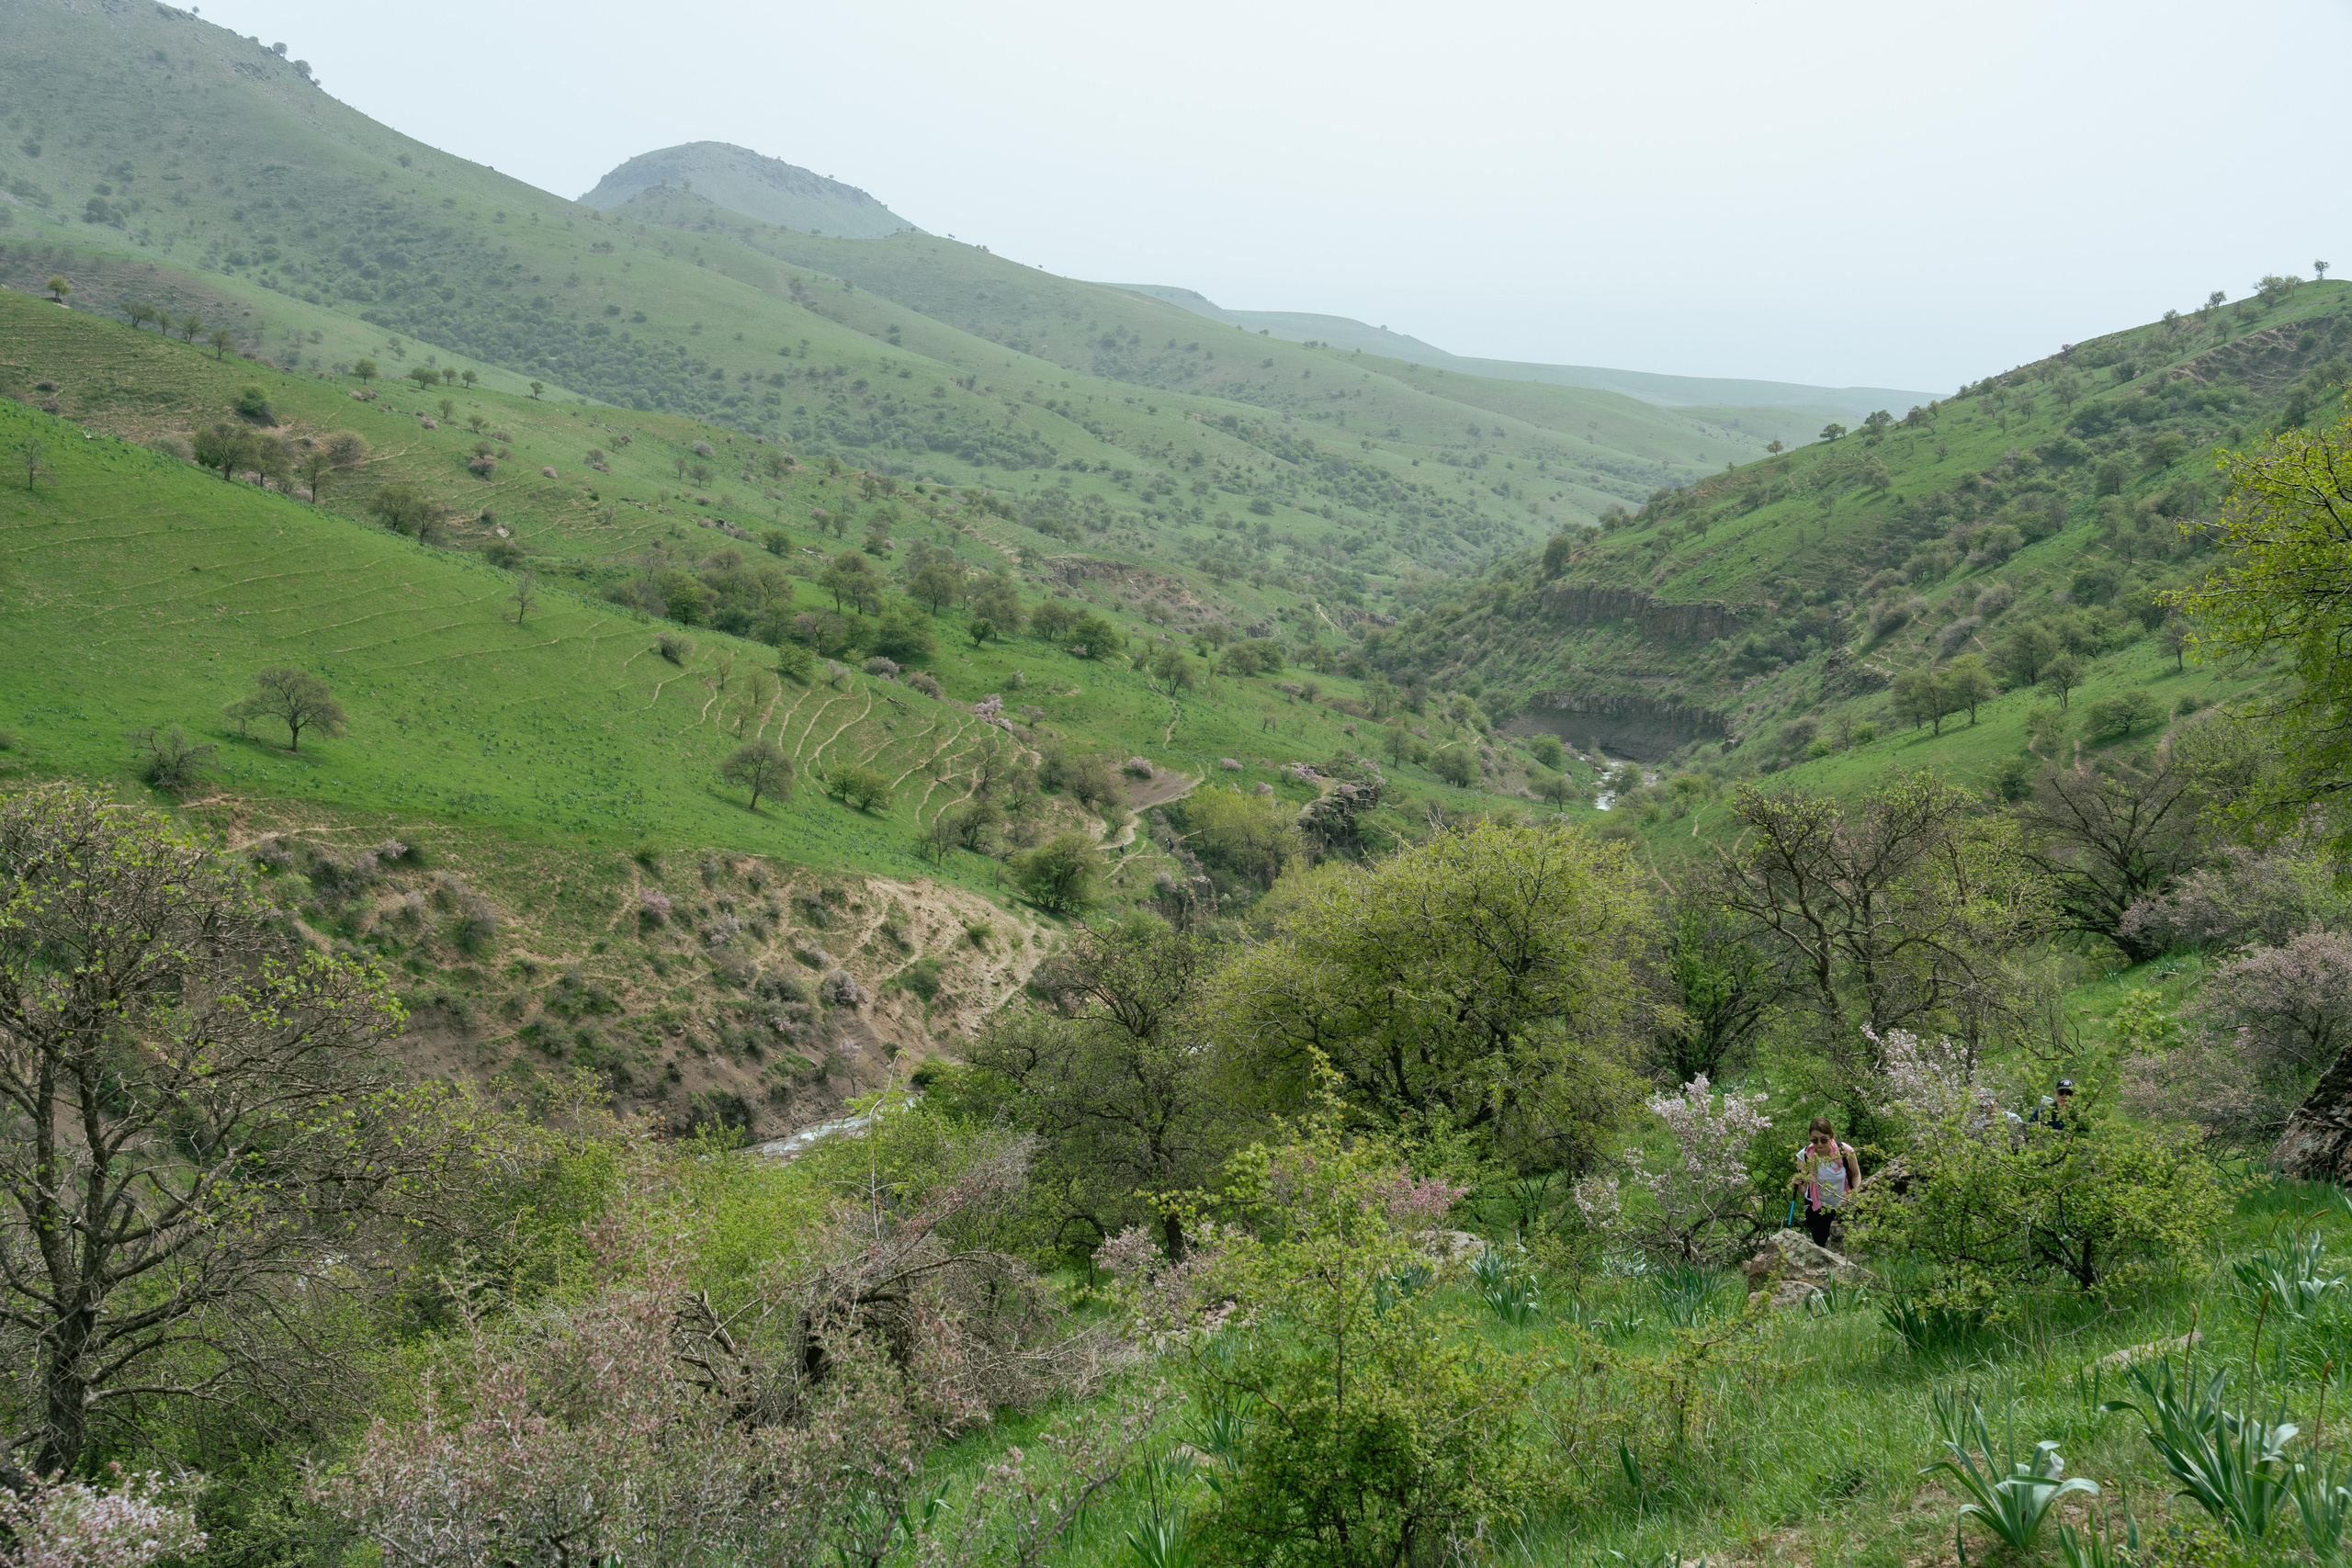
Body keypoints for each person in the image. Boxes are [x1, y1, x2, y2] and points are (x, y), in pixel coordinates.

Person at [1792, 1116, 1862, 1248]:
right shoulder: (1804, 1155)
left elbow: (1856, 1175)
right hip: (1816, 1210)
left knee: (1847, 1248)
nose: (1819, 1144)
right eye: (1814, 1140)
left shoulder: (1845, 1151)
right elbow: (1802, 1191)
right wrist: (1798, 1185)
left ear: (1831, 1136)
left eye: (1823, 1140)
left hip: (1843, 1206)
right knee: (1822, 1249)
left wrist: (1855, 1196)